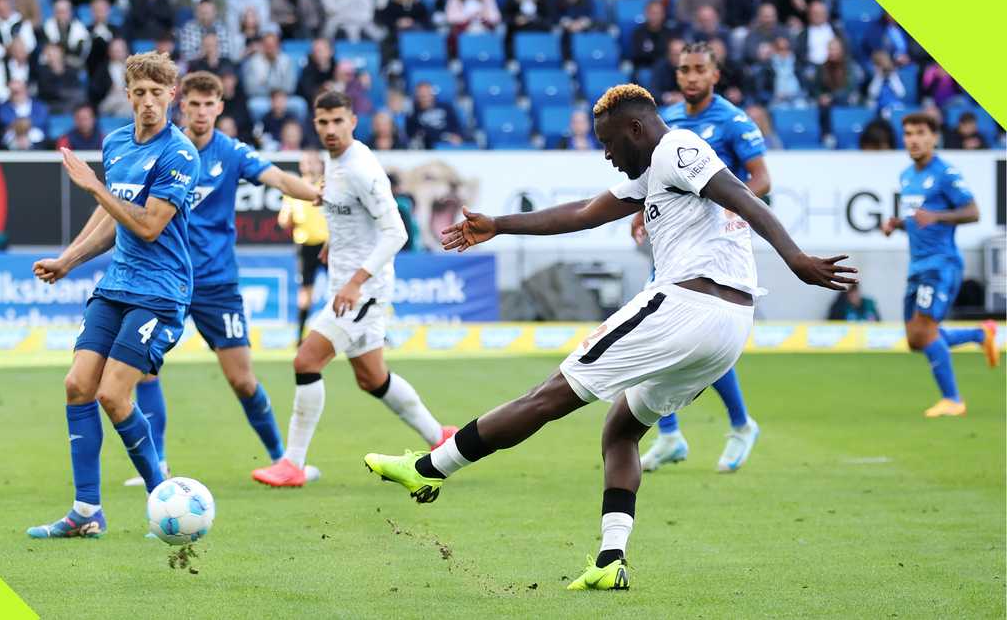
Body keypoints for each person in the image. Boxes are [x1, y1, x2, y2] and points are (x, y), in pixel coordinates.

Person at [364, 83, 857, 589]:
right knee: (620, 429)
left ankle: (430, 467)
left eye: (608, 142)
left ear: (636, 129)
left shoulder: (676, 150)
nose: (606, 153)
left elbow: (742, 196)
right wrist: (501, 224)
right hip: (728, 327)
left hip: (687, 306)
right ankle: (610, 561)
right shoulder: (654, 171)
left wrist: (795, 257)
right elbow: (582, 213)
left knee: (548, 395)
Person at [68, 71, 322, 486]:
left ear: (220, 107)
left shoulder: (231, 153)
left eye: (210, 104)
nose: (201, 112)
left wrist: (315, 194)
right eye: (194, 104)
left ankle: (283, 458)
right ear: (182, 104)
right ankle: (160, 461)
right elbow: (121, 207)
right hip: (162, 280)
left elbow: (277, 178)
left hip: (215, 284)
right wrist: (71, 256)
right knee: (144, 373)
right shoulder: (159, 150)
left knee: (241, 379)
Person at [26, 51, 200, 539]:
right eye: (139, 93)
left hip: (161, 291)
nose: (148, 103)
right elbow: (111, 218)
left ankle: (164, 502)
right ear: (127, 95)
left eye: (156, 94)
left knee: (113, 393)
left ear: (172, 96)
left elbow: (147, 225)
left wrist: (95, 187)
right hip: (116, 285)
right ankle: (86, 512)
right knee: (78, 385)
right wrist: (69, 258)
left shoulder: (180, 153)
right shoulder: (118, 141)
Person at [253, 90, 458, 488]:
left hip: (362, 292)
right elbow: (352, 216)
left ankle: (293, 464)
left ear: (352, 121)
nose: (330, 129)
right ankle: (441, 438)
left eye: (338, 121)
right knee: (372, 378)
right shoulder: (338, 163)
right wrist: (338, 242)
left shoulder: (361, 167)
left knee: (306, 361)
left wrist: (355, 281)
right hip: (352, 285)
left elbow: (396, 232)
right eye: (323, 122)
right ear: (315, 123)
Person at [629, 41, 770, 473]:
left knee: (697, 338)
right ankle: (670, 434)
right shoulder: (667, 121)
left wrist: (731, 203)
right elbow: (653, 178)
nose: (690, 76)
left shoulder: (732, 121)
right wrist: (638, 215)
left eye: (699, 69)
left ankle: (741, 424)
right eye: (684, 69)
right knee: (661, 334)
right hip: (673, 242)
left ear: (715, 75)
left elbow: (761, 179)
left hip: (714, 248)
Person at [880, 112, 998, 418]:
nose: (913, 139)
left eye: (920, 133)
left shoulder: (946, 173)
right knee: (916, 339)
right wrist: (899, 224)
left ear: (934, 137)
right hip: (917, 264)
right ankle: (981, 335)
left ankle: (953, 400)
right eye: (908, 133)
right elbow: (918, 221)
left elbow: (973, 212)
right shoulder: (906, 175)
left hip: (941, 264)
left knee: (926, 332)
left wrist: (937, 217)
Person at [277, 150, 328, 344]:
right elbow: (283, 221)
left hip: (329, 244)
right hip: (305, 245)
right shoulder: (294, 189)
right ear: (301, 166)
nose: (310, 166)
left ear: (321, 165)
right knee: (306, 291)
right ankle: (299, 336)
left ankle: (354, 331)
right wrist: (288, 217)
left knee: (341, 287)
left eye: (313, 162)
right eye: (306, 162)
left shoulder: (328, 185)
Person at [406, 81, 463, 149]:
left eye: (428, 94)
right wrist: (444, 136)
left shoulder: (446, 108)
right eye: (422, 95)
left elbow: (456, 125)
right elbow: (418, 133)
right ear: (417, 96)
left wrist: (457, 136)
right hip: (429, 146)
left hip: (450, 144)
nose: (425, 98)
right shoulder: (413, 114)